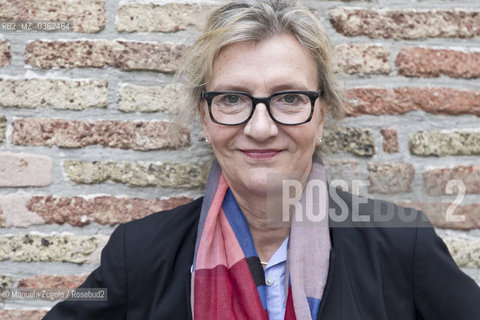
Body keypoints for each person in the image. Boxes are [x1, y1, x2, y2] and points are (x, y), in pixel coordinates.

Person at [44, 0, 480, 319]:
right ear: (205, 116)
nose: (260, 127)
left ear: (322, 114)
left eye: (289, 98)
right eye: (233, 99)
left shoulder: (403, 246)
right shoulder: (137, 254)